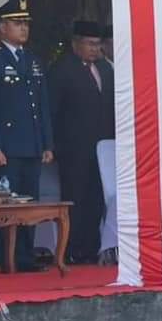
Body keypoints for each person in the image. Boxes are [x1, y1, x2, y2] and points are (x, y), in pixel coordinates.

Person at [0, 0, 54, 272]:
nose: (23, 29)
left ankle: (26, 257)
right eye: (17, 23)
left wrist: (46, 143)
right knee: (6, 205)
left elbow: (41, 106)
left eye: (25, 24)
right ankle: (8, 258)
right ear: (3, 28)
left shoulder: (32, 61)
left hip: (30, 144)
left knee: (29, 204)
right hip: (6, 147)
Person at [48, 20, 114, 264]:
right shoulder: (61, 70)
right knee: (76, 199)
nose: (94, 49)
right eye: (89, 44)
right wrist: (52, 145)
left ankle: (91, 248)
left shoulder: (106, 69)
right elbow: (52, 111)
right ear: (76, 43)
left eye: (98, 44)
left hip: (103, 148)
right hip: (74, 147)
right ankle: (72, 249)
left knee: (97, 199)